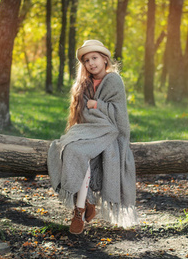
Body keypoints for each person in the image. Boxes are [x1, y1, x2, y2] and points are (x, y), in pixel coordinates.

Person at [47, 40, 137, 234]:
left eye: (95, 58)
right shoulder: (84, 84)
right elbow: (83, 114)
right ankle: (86, 202)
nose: (91, 63)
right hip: (89, 129)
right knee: (70, 149)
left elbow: (118, 113)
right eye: (87, 60)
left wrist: (98, 106)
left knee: (81, 152)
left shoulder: (114, 81)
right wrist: (91, 110)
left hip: (109, 132)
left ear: (104, 59)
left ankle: (79, 211)